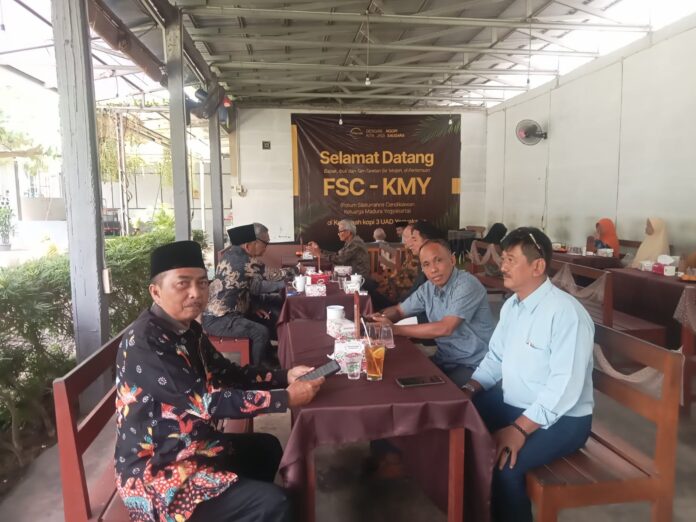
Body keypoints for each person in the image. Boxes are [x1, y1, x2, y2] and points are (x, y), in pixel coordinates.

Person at [115, 240, 324, 522]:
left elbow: (227, 373)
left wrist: (283, 376)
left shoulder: (188, 330)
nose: (195, 293)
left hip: (193, 445)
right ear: (156, 292)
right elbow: (206, 402)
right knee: (276, 504)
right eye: (183, 284)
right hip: (159, 472)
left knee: (267, 448)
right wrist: (284, 398)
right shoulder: (146, 342)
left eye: (202, 283)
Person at [461, 227, 594, 522]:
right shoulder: (513, 306)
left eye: (511, 259)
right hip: (515, 402)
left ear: (538, 266)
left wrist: (519, 429)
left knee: (506, 466)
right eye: (503, 259)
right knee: (460, 422)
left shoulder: (565, 314)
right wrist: (469, 388)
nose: (502, 266)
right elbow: (495, 358)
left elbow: (565, 387)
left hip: (563, 418)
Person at [369, 239, 495, 386]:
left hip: (472, 364)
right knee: (397, 377)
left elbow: (445, 328)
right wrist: (375, 320)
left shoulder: (466, 284)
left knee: (433, 393)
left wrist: (396, 329)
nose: (433, 269)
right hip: (444, 359)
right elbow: (399, 310)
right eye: (426, 264)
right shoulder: (428, 288)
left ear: (452, 260)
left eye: (438, 260)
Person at [203, 223, 286, 366]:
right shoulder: (243, 261)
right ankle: (257, 370)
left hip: (233, 311)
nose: (266, 247)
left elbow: (249, 286)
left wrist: (253, 306)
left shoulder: (231, 254)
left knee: (266, 317)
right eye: (265, 243)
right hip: (219, 319)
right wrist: (299, 271)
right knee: (260, 332)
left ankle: (269, 356)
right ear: (249, 245)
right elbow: (275, 275)